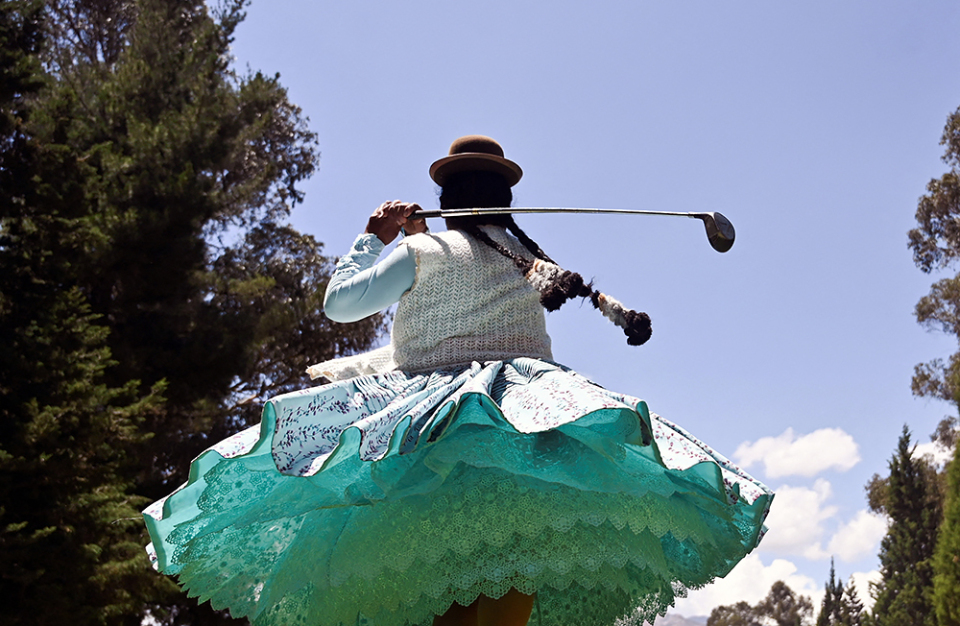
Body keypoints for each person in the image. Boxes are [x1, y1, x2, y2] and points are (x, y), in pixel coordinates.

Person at [143, 136, 773, 626]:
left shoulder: (422, 253)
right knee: (511, 579)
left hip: (434, 440)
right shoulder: (530, 263)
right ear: (504, 201)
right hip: (529, 435)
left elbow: (340, 304)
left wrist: (374, 238)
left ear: (446, 200)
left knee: (442, 591)